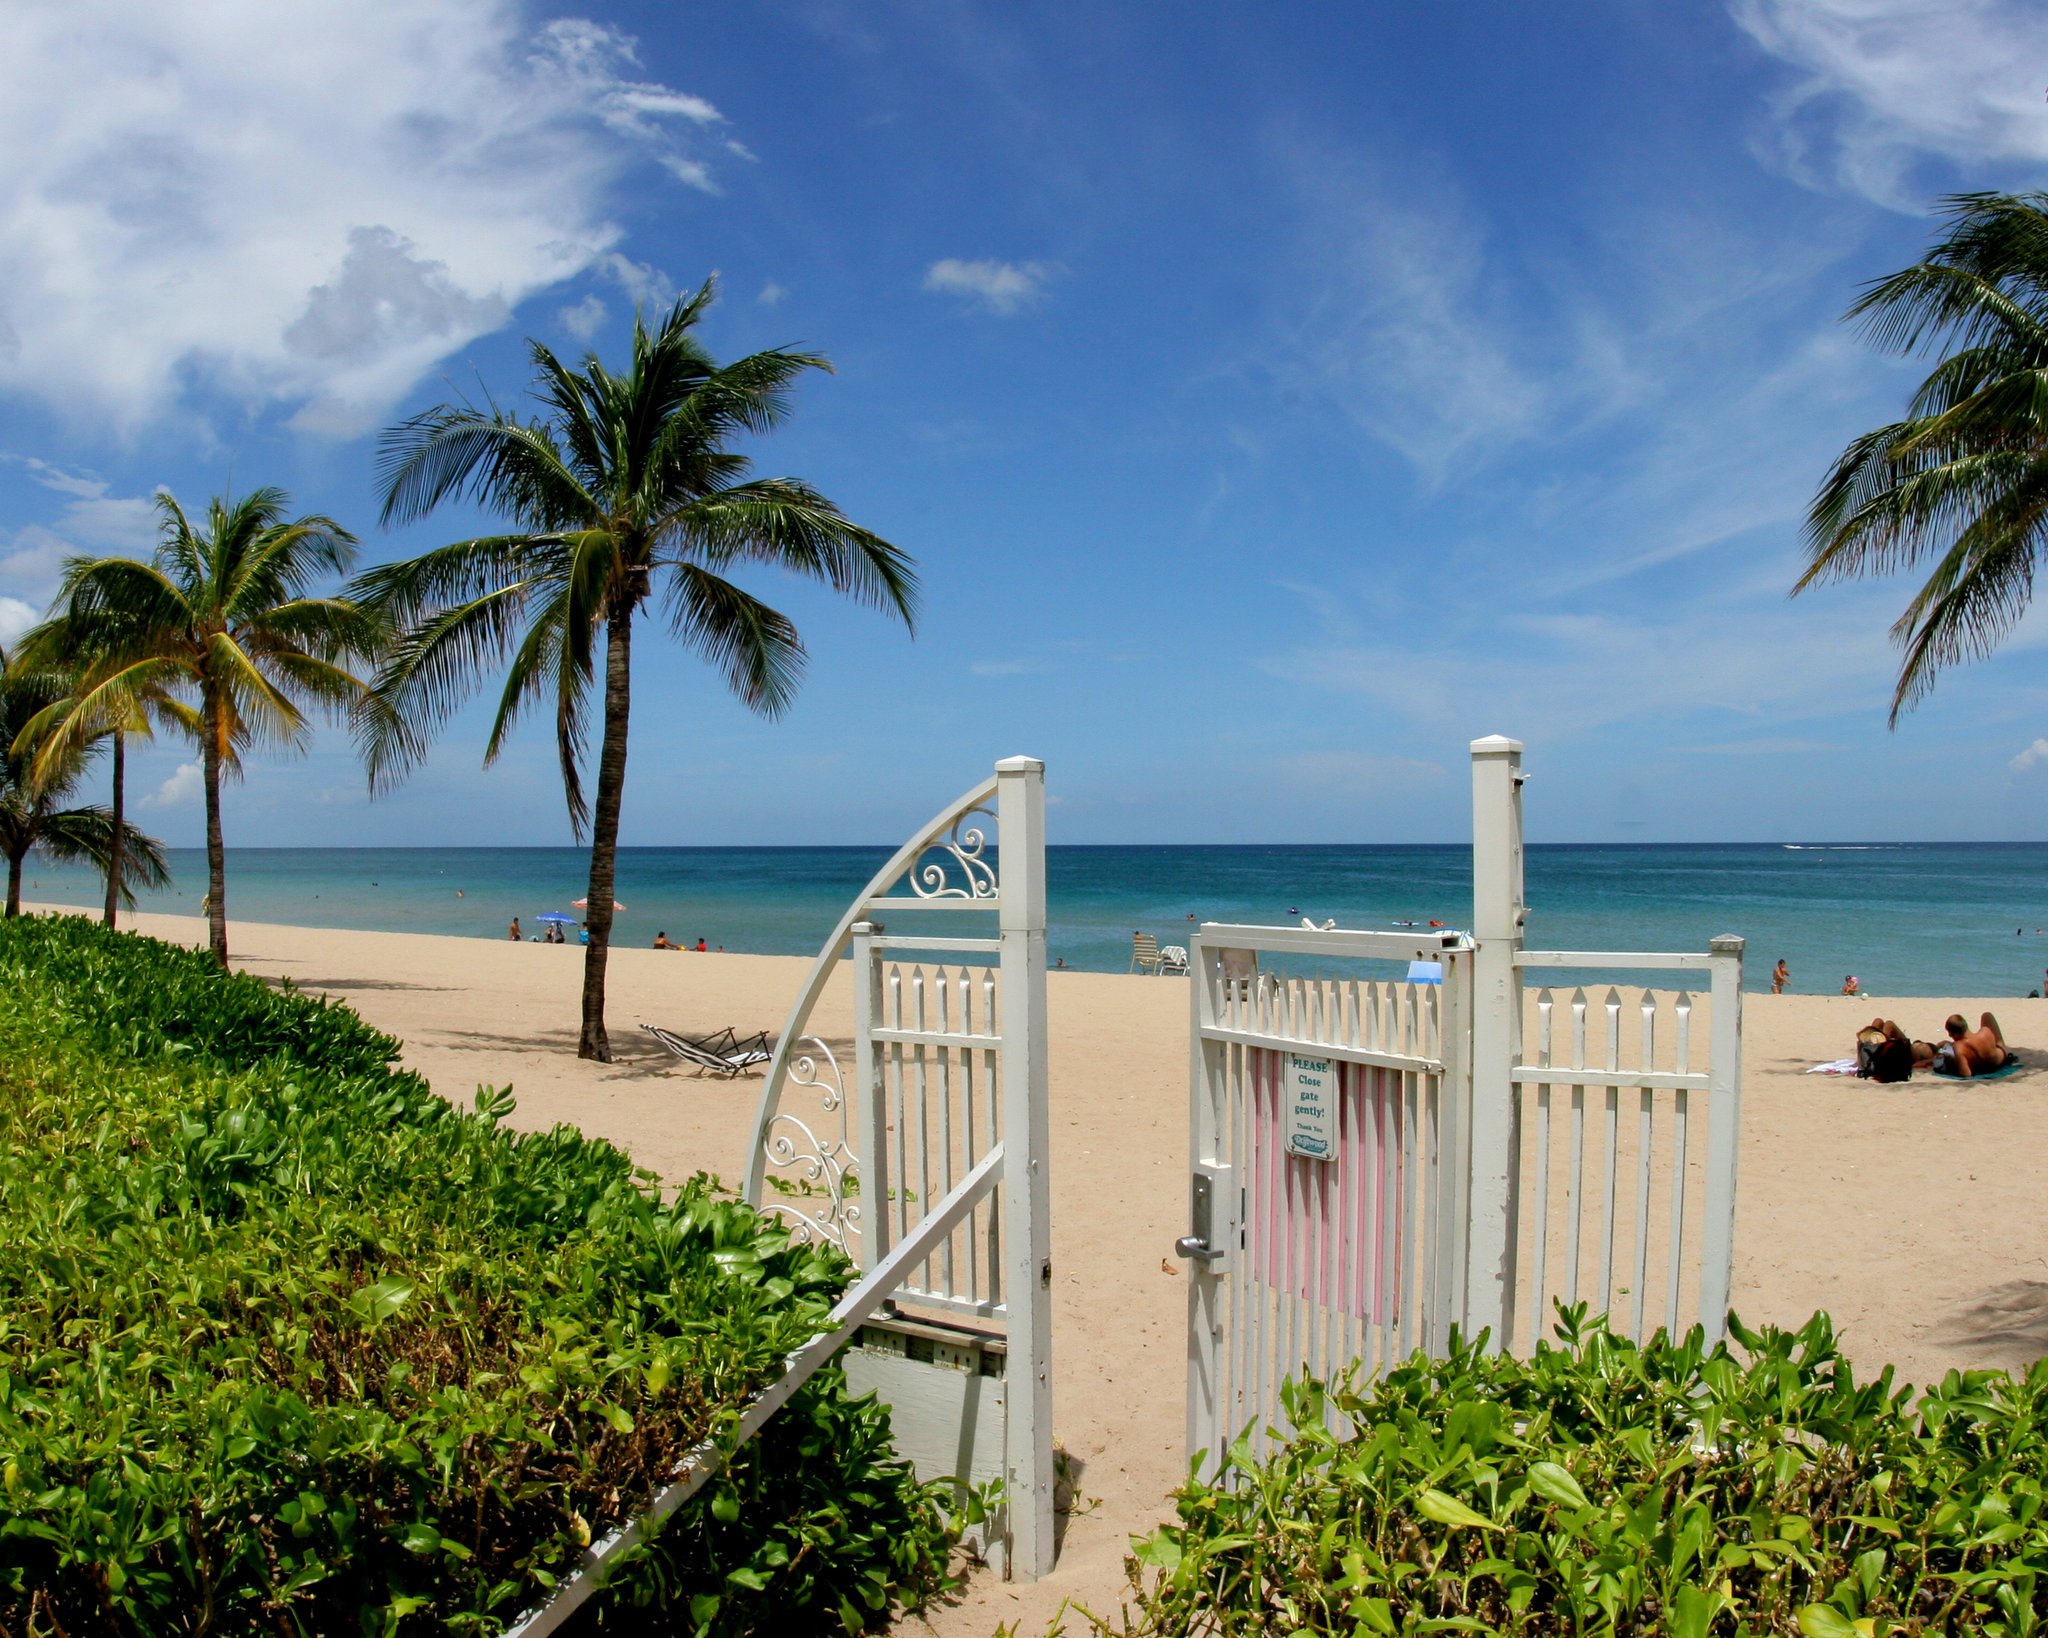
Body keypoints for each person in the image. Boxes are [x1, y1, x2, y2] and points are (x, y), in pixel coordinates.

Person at [1943, 1012, 2013, 1077]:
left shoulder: (1959, 1048)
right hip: (2000, 1061)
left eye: (1950, 1034)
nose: (1949, 1035)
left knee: (1944, 1046)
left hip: (1982, 1068)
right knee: (1986, 1015)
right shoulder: (1985, 1032)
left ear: (1954, 1034)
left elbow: (1966, 1074)